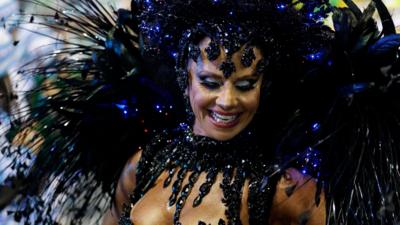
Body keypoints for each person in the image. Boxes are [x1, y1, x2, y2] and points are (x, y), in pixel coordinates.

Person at [1, 0, 400, 225]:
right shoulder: (146, 162)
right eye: (211, 82)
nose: (227, 101)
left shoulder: (284, 188)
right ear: (186, 80)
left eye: (245, 85)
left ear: (264, 88)